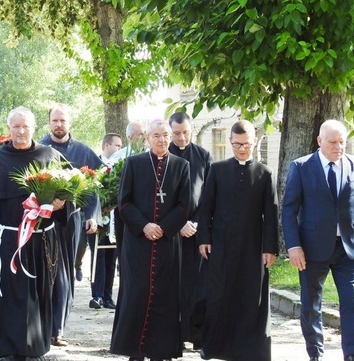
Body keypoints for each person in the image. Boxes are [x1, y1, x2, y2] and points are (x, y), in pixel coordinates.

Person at [0, 106, 67, 360]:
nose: (21, 131)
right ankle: (10, 349)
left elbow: (68, 195)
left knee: (39, 292)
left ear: (34, 127)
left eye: (26, 126)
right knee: (10, 294)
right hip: (8, 241)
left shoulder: (50, 155)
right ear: (9, 129)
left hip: (42, 241)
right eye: (16, 126)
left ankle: (35, 347)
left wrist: (61, 203)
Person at [282, 119, 354, 361]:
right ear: (320, 141)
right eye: (333, 142)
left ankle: (353, 355)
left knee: (351, 302)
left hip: (349, 248)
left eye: (342, 142)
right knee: (311, 304)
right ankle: (316, 354)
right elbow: (289, 210)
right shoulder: (301, 167)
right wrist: (293, 246)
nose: (339, 146)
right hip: (311, 249)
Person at [195, 120, 278, 360]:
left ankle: (251, 349)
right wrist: (204, 238)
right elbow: (205, 207)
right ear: (231, 142)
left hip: (253, 248)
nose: (242, 149)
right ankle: (215, 347)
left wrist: (269, 248)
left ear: (254, 142)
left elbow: (270, 213)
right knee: (219, 296)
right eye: (237, 144)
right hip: (220, 246)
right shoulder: (218, 170)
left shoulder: (264, 173)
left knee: (251, 297)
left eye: (246, 144)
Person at [111, 119, 191, 361]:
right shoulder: (134, 164)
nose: (162, 140)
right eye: (156, 135)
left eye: (166, 135)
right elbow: (123, 202)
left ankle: (161, 352)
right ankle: (135, 353)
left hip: (167, 245)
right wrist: (144, 225)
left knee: (165, 298)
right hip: (138, 244)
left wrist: (163, 228)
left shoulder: (181, 165)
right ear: (147, 138)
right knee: (137, 294)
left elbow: (185, 205)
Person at [40, 103, 101, 346]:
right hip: (42, 220)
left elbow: (93, 188)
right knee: (44, 273)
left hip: (71, 222)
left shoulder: (84, 152)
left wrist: (92, 215)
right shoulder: (38, 150)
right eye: (55, 120)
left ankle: (59, 329)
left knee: (65, 273)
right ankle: (42, 326)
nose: (59, 125)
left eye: (63, 120)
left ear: (70, 123)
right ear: (48, 123)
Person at [167, 112, 212, 348]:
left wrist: (194, 222)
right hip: (170, 233)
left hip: (196, 232)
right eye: (176, 133)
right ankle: (173, 336)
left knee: (197, 287)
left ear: (192, 129)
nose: (181, 138)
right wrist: (178, 224)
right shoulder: (163, 156)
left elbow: (209, 195)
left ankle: (195, 336)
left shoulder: (204, 156)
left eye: (185, 132)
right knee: (173, 286)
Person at [88, 133, 123, 310]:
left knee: (111, 257)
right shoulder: (95, 165)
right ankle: (97, 295)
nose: (119, 149)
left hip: (114, 219)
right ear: (107, 146)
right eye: (117, 145)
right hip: (96, 219)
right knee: (98, 257)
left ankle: (108, 296)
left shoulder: (119, 167)